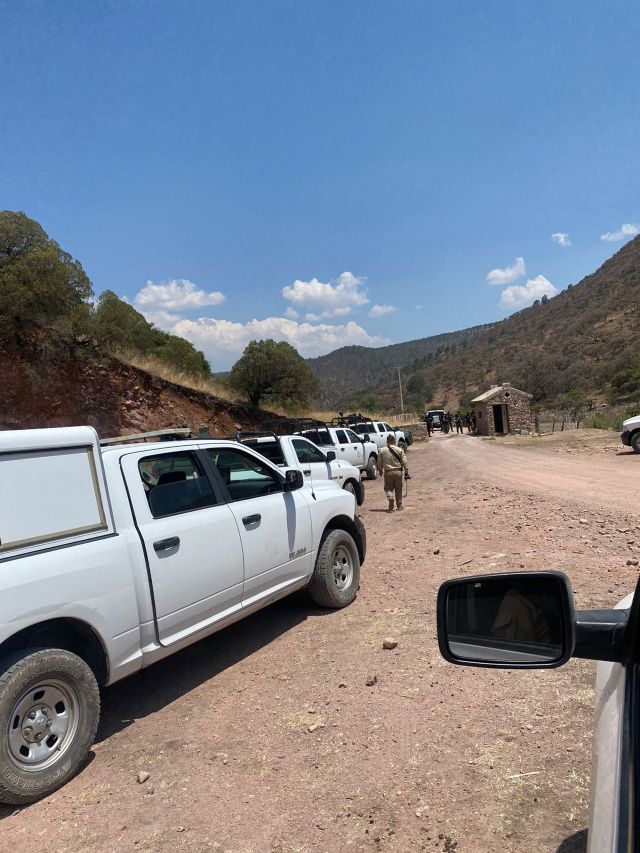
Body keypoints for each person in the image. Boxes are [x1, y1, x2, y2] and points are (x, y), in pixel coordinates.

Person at [377, 434, 410, 511]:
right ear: (394, 441)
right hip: (398, 472)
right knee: (398, 489)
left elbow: (379, 462)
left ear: (387, 441)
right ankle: (400, 506)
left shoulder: (382, 450)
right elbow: (405, 462)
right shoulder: (399, 450)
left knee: (388, 488)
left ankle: (390, 497)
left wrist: (380, 470)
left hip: (388, 472)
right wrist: (406, 472)